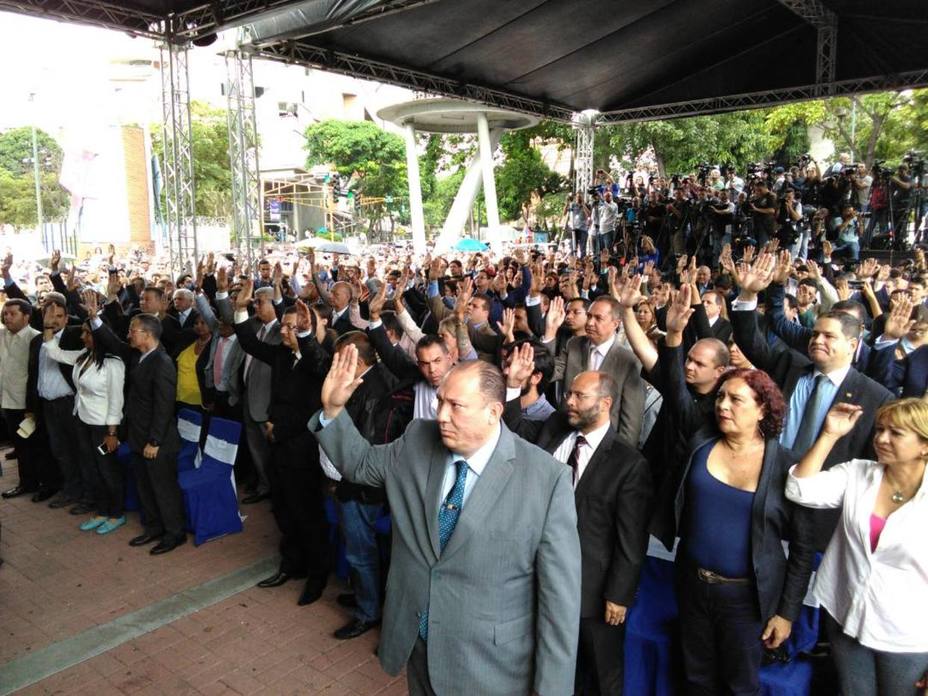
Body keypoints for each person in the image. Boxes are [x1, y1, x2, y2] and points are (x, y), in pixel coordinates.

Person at [310, 351, 581, 696]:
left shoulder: (547, 480)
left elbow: (560, 603)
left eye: (456, 406)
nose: (441, 416)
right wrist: (333, 411)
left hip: (491, 666)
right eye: (440, 402)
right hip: (419, 649)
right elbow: (360, 464)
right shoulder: (416, 441)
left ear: (493, 412)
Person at [654, 358, 816, 695]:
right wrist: (672, 336)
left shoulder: (786, 465)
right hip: (693, 585)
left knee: (740, 686)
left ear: (761, 411)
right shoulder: (701, 441)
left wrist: (786, 613)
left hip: (747, 599)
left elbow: (802, 549)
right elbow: (671, 385)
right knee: (694, 679)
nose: (723, 405)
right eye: (720, 397)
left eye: (736, 399)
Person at [504, 351, 652, 696]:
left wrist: (618, 595)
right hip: (537, 575)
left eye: (578, 396)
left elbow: (631, 540)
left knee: (600, 673)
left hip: (591, 590)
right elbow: (509, 436)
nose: (568, 401)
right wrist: (513, 387)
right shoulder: (555, 429)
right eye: (569, 393)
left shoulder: (628, 465)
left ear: (604, 404)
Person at [730, 252, 894, 549]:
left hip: (822, 508)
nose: (817, 340)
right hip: (767, 488)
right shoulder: (789, 366)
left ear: (853, 345)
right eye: (815, 334)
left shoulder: (874, 397)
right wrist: (747, 293)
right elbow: (750, 342)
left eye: (829, 337)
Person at [787, 398, 928, 696]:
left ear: (924, 446)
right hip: (845, 614)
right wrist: (829, 435)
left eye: (896, 433)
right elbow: (799, 489)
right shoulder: (858, 473)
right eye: (879, 430)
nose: (881, 439)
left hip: (908, 638)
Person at [233, 281, 332, 605]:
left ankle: (317, 575)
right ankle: (292, 564)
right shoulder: (279, 355)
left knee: (308, 514)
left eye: (292, 327)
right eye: (285, 326)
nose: (285, 332)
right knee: (284, 510)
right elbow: (247, 340)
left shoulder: (317, 360)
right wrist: (240, 307)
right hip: (278, 447)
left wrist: (305, 333)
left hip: (304, 450)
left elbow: (316, 373)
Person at [88, 297, 185, 555]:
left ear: (148, 334)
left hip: (157, 442)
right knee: (145, 487)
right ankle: (153, 527)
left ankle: (174, 534)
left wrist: (155, 441)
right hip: (137, 437)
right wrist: (95, 318)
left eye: (133, 330)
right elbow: (113, 343)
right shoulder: (138, 356)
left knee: (164, 490)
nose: (129, 334)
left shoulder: (162, 362)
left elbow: (164, 407)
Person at [42, 316, 127, 535]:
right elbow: (54, 352)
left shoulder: (113, 363)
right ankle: (101, 511)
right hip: (82, 420)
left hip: (102, 427)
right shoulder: (84, 356)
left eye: (87, 333)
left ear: (98, 336)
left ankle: (116, 513)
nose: (82, 336)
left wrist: (112, 433)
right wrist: (48, 326)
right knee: (90, 467)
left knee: (107, 469)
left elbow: (116, 401)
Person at [542, 295, 645, 445]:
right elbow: (548, 373)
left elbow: (631, 419)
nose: (590, 322)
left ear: (615, 323)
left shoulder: (629, 361)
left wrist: (620, 453)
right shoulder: (574, 344)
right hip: (567, 432)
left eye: (598, 318)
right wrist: (550, 331)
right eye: (589, 316)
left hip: (602, 444)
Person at [0, 299, 44, 500]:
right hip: (6, 400)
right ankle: (27, 482)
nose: (7, 317)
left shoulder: (35, 338)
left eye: (12, 313)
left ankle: (37, 482)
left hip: (26, 404)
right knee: (19, 446)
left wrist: (32, 407)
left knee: (33, 445)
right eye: (5, 313)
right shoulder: (1, 335)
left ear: (26, 317)